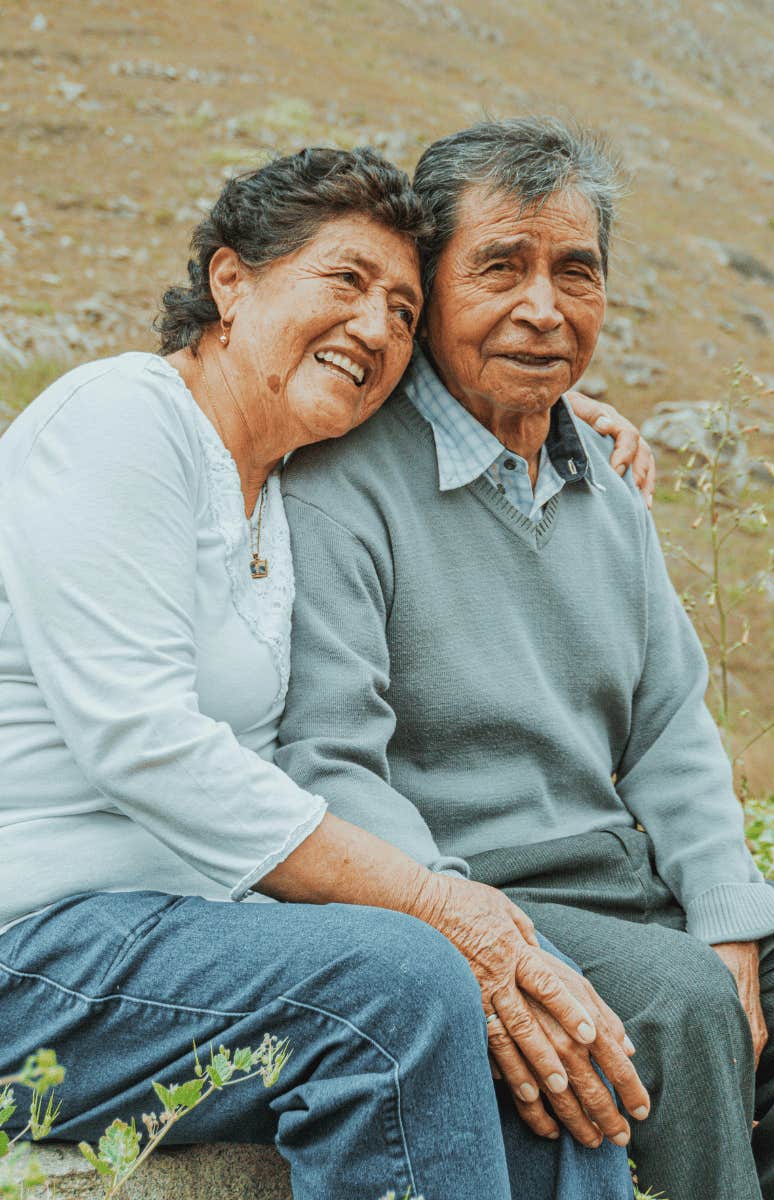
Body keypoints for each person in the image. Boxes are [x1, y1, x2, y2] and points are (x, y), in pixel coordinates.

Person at [0, 145, 653, 1199]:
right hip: (35, 947)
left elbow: (460, 424)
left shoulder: (279, 483)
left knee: (534, 1018)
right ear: (230, 280)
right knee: (398, 982)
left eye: (403, 310)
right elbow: (143, 742)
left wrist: (568, 420)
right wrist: (437, 904)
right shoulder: (120, 419)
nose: (375, 328)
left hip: (188, 942)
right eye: (344, 281)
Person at [276, 118, 774, 1200]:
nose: (543, 306)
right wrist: (470, 926)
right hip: (469, 889)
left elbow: (672, 726)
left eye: (574, 272)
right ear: (428, 289)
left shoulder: (601, 480)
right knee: (679, 1004)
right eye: (500, 266)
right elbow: (331, 761)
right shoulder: (339, 485)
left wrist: (730, 918)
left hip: (618, 877)